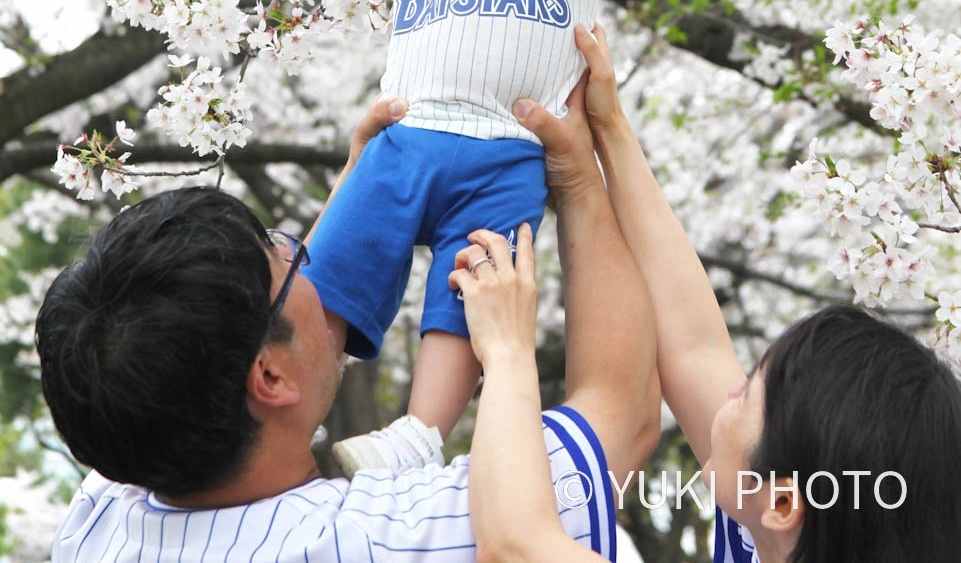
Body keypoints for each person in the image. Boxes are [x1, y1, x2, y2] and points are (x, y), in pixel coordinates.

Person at [35, 91, 660, 563]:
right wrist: (579, 179)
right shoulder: (403, 535)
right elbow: (622, 414)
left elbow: (233, 341)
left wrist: (364, 183)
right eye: (283, 254)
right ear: (269, 377)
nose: (304, 256)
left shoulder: (99, 520)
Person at [252, 0, 628, 474]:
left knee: (469, 300)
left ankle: (420, 434)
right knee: (327, 275)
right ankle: (284, 403)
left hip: (505, 158)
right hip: (402, 143)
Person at [461, 24, 961, 563]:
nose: (727, 392)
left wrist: (508, 349)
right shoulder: (784, 537)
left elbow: (514, 544)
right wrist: (606, 128)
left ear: (785, 501)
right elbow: (693, 346)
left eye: (747, 397)